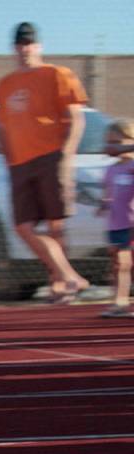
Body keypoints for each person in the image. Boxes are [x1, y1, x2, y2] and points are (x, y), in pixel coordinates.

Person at [0, 21, 89, 304]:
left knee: (55, 225)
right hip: (19, 164)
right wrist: (11, 162)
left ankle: (60, 284)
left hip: (51, 156)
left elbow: (76, 117)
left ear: (39, 46)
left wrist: (65, 155)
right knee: (23, 226)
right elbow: (3, 127)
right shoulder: (4, 85)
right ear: (14, 48)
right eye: (20, 44)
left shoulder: (57, 74)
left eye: (30, 43)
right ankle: (69, 274)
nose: (25, 49)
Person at [98, 119, 134, 318]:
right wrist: (104, 203)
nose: (113, 146)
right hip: (115, 224)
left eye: (118, 142)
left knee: (124, 262)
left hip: (131, 223)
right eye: (110, 142)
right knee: (118, 264)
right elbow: (109, 192)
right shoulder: (111, 169)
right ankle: (119, 301)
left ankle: (121, 301)